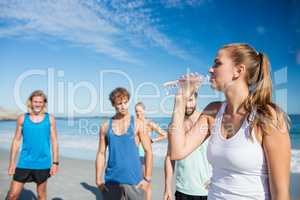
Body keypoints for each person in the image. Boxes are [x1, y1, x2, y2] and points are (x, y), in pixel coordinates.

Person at [168, 43, 291, 200]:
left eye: (217, 63)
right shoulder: (212, 112)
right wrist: (180, 99)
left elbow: (281, 194)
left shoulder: (267, 116)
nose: (210, 69)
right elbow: (177, 151)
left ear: (238, 71)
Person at [95, 87, 153, 200]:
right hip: (112, 181)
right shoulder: (105, 127)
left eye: (126, 102)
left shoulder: (138, 124)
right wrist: (98, 179)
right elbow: (101, 153)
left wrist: (147, 178)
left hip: (135, 182)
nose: (123, 106)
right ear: (113, 104)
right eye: (119, 103)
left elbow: (148, 151)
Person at [7, 90, 59, 200]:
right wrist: (12, 162)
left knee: (41, 195)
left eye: (40, 102)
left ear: (44, 103)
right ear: (30, 102)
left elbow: (54, 141)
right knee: (12, 195)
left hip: (42, 163)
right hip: (24, 162)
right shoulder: (22, 118)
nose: (38, 104)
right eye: (35, 101)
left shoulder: (50, 119)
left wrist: (55, 163)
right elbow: (16, 141)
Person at [164, 92, 211, 200]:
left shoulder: (207, 120)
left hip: (206, 190)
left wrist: (216, 178)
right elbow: (169, 157)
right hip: (182, 189)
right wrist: (167, 187)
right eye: (184, 101)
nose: (187, 105)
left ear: (196, 99)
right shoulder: (174, 126)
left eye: (190, 100)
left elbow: (221, 151)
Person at [135, 102, 167, 200]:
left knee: (147, 183)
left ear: (144, 111)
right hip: (134, 157)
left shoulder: (149, 123)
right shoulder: (134, 124)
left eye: (140, 111)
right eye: (136, 111)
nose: (138, 113)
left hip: (145, 156)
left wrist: (152, 140)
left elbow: (164, 134)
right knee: (135, 183)